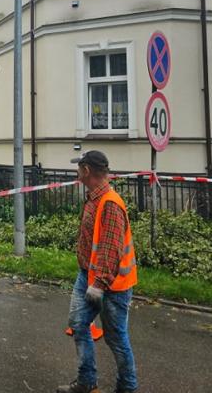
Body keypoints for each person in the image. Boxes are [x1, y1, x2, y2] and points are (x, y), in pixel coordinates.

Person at [57, 150, 138, 393]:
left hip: (111, 285)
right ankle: (86, 382)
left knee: (116, 339)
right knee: (79, 325)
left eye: (79, 169)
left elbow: (111, 250)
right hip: (88, 276)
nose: (77, 175)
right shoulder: (94, 198)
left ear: (87, 170)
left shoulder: (110, 203)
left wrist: (99, 285)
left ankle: (127, 388)